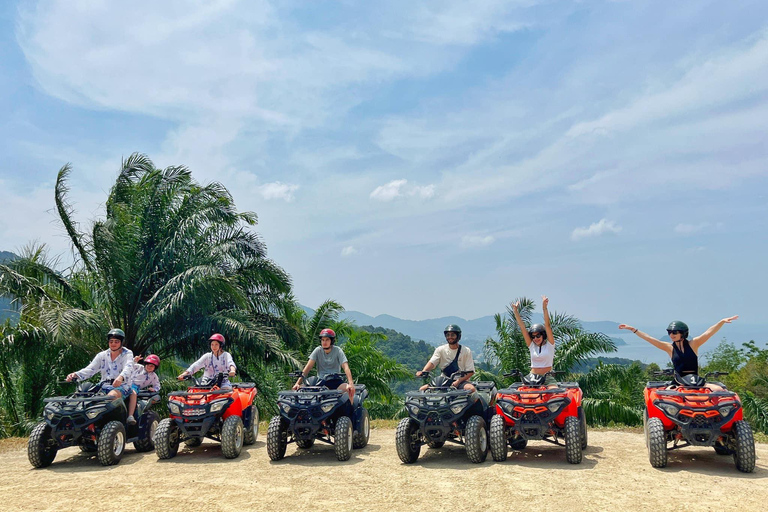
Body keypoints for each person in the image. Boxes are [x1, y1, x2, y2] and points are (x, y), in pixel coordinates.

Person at [618, 316, 739, 379]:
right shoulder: (668, 348)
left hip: (695, 381)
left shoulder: (694, 344)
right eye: (669, 332)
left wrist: (721, 322)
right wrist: (633, 329)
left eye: (674, 332)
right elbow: (649, 339)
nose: (671, 335)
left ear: (683, 333)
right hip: (678, 383)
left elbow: (709, 332)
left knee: (718, 391)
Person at [66, 328, 134, 400]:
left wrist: (121, 377)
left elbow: (128, 367)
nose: (113, 344)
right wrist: (75, 374)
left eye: (116, 342)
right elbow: (90, 369)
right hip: (103, 386)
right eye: (111, 341)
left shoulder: (127, 353)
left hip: (122, 387)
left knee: (111, 396)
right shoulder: (102, 355)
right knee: (82, 394)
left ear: (121, 342)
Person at [292, 328, 356, 399]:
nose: (324, 342)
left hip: (336, 381)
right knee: (301, 391)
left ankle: (351, 409)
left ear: (332, 341)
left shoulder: (338, 351)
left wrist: (351, 383)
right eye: (322, 340)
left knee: (348, 389)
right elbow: (308, 367)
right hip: (320, 383)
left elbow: (345, 367)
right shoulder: (318, 350)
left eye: (327, 340)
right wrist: (297, 383)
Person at [511, 296, 557, 385]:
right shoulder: (532, 346)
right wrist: (515, 311)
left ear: (543, 335)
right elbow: (523, 328)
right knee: (520, 395)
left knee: (555, 394)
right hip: (532, 377)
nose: (535, 338)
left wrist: (544, 307)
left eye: (538, 335)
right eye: (533, 336)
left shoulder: (550, 345)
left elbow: (547, 325)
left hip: (547, 378)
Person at [416, 324, 476, 392]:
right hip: (443, 381)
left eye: (452, 335)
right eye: (448, 335)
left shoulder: (466, 351)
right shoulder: (440, 349)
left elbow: (470, 372)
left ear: (458, 336)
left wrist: (458, 381)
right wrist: (424, 371)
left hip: (461, 381)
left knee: (471, 389)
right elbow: (432, 362)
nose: (450, 337)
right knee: (422, 390)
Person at [126, 354, 161, 425]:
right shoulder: (139, 367)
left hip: (135, 388)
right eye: (148, 365)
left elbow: (158, 385)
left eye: (152, 366)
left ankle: (130, 415)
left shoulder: (154, 376)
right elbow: (129, 366)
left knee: (133, 393)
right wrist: (134, 360)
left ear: (155, 368)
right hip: (128, 383)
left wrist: (154, 389)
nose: (149, 367)